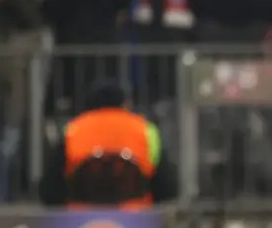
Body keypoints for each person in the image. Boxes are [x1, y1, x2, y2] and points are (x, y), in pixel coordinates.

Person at [39, 81, 177, 208]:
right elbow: (167, 187)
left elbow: (50, 188)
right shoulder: (146, 130)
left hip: (82, 218)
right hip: (135, 216)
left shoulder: (73, 130)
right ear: (125, 104)